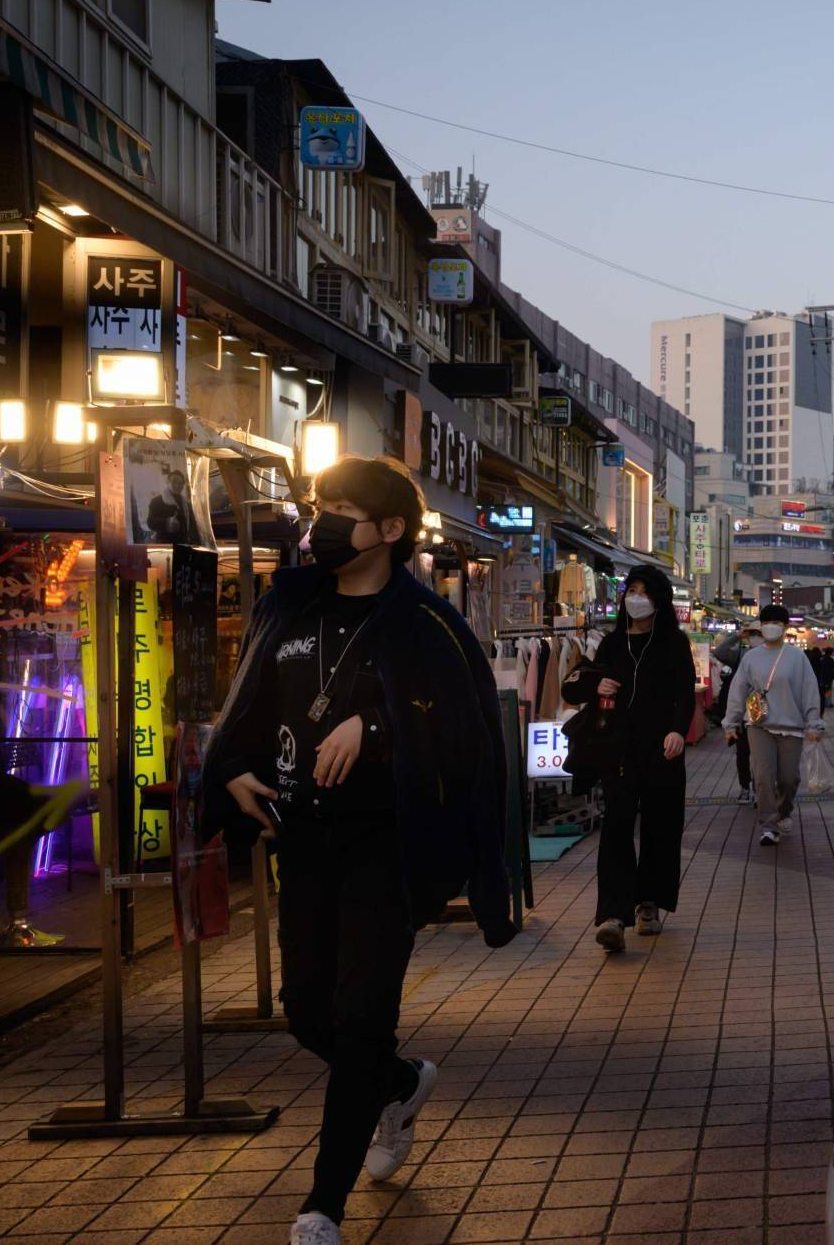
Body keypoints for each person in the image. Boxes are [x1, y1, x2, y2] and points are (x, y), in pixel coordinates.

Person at [203, 454, 515, 1245]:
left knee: (362, 1014)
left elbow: (463, 730)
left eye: (342, 509)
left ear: (390, 531)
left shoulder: (425, 623)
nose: (323, 521)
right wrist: (233, 771)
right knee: (308, 1013)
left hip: (388, 847)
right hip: (301, 840)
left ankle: (323, 1206)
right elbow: (246, 703)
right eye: (320, 506)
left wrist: (374, 725)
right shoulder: (290, 603)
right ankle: (402, 1083)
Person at [561, 565, 697, 953]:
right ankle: (613, 916)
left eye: (644, 591)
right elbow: (578, 685)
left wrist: (677, 729)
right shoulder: (611, 644)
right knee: (617, 827)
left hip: (662, 750)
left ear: (659, 600)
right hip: (617, 750)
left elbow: (684, 693)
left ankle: (649, 903)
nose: (635, 597)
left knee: (661, 827)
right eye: (631, 589)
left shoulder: (673, 643)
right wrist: (596, 683)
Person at [721, 604, 823, 846]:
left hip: (791, 727)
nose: (771, 627)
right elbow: (737, 691)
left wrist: (814, 723)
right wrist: (730, 724)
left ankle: (784, 812)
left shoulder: (797, 657)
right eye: (767, 622)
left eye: (777, 623)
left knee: (789, 779)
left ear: (786, 628)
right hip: (759, 726)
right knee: (763, 777)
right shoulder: (751, 658)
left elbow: (809, 690)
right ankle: (768, 826)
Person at [711, 628, 761, 804]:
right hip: (743, 711)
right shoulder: (741, 654)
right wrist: (737, 636)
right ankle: (745, 787)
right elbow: (719, 652)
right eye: (753, 634)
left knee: (762, 755)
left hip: (766, 714)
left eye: (759, 634)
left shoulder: (775, 654)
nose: (757, 638)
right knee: (743, 752)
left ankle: (759, 789)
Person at [145, 468, 197, 544]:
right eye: (174, 481)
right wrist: (166, 522)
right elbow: (150, 522)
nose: (177, 485)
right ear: (167, 482)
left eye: (180, 483)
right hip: (165, 544)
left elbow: (190, 523)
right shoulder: (157, 501)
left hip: (184, 542)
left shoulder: (185, 503)